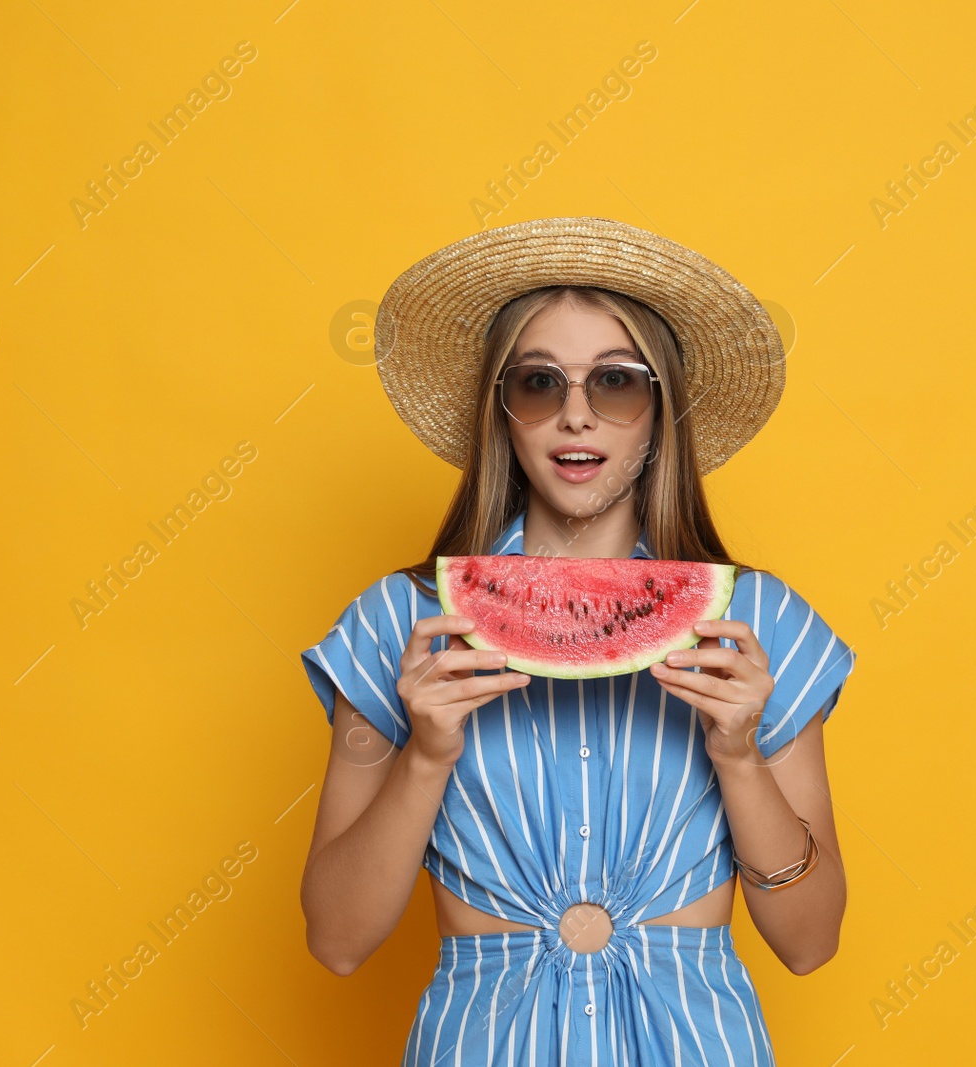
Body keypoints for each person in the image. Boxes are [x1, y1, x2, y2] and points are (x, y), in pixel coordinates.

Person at [300, 217, 858, 1065]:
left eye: (617, 383)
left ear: (659, 411)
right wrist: (423, 755)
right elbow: (337, 941)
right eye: (537, 382)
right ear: (503, 410)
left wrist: (740, 756)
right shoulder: (401, 622)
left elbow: (810, 943)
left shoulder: (758, 623)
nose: (575, 416)